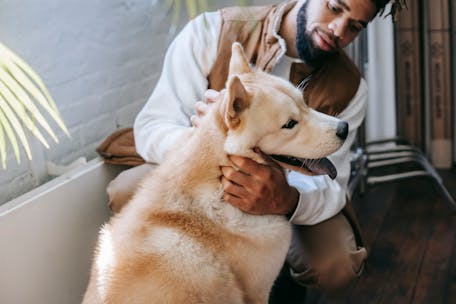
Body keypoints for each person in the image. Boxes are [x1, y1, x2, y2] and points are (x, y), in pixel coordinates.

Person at [104, 0, 405, 301]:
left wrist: (286, 198)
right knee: (127, 191)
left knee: (336, 264)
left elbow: (333, 185)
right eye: (335, 7)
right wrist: (211, 141)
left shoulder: (351, 88)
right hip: (199, 173)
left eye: (354, 26)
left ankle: (278, 281)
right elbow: (154, 125)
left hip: (287, 190)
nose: (338, 29)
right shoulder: (211, 31)